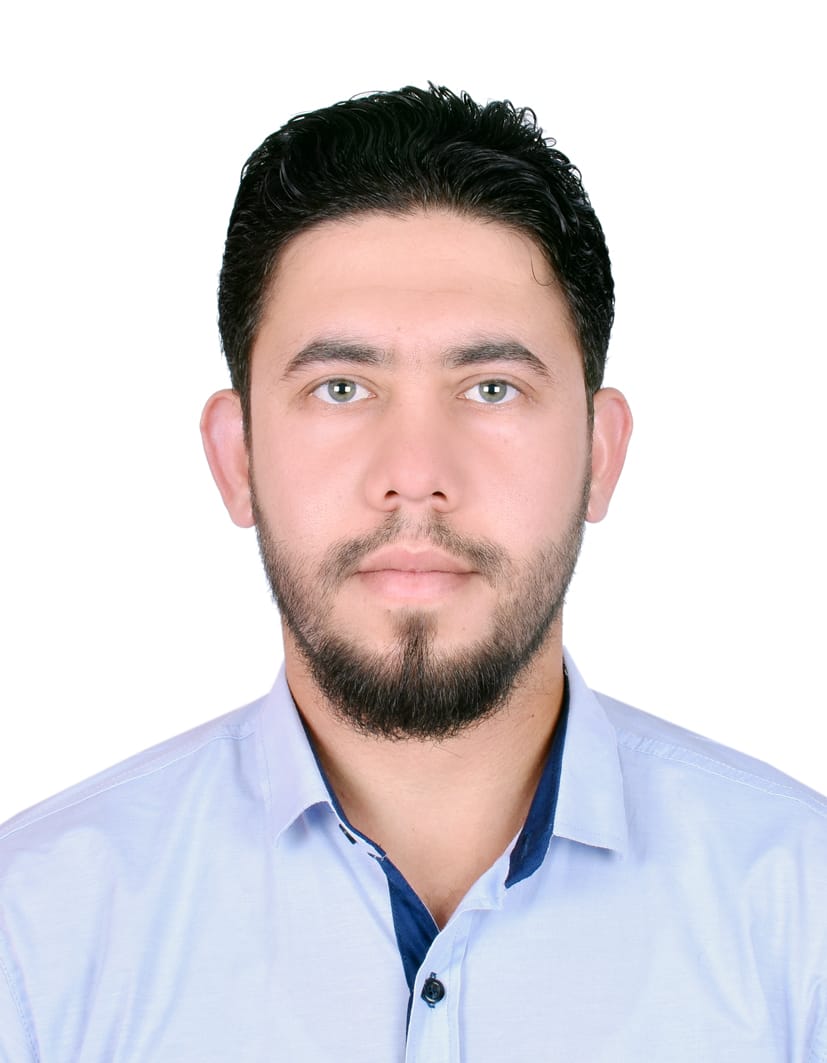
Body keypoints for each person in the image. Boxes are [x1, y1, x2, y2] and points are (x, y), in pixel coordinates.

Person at [0, 84, 824, 1062]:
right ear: (238, 458)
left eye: (491, 387)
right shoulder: (34, 936)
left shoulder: (801, 915)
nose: (416, 474)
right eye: (341, 387)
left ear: (599, 453)